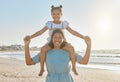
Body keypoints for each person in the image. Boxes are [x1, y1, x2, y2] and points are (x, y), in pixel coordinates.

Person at [24, 5, 87, 76]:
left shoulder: (63, 24)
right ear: (51, 15)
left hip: (62, 43)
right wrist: (31, 37)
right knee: (42, 49)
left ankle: (74, 68)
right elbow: (40, 32)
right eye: (54, 14)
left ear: (61, 14)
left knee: (71, 49)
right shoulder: (50, 24)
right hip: (51, 43)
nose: (56, 15)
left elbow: (73, 32)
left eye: (58, 14)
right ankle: (42, 68)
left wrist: (83, 37)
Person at [24, 29, 91, 82]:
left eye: (60, 38)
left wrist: (88, 45)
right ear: (51, 38)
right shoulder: (45, 52)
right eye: (55, 37)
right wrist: (26, 45)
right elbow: (29, 62)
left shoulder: (69, 51)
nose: (57, 40)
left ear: (63, 39)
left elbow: (84, 61)